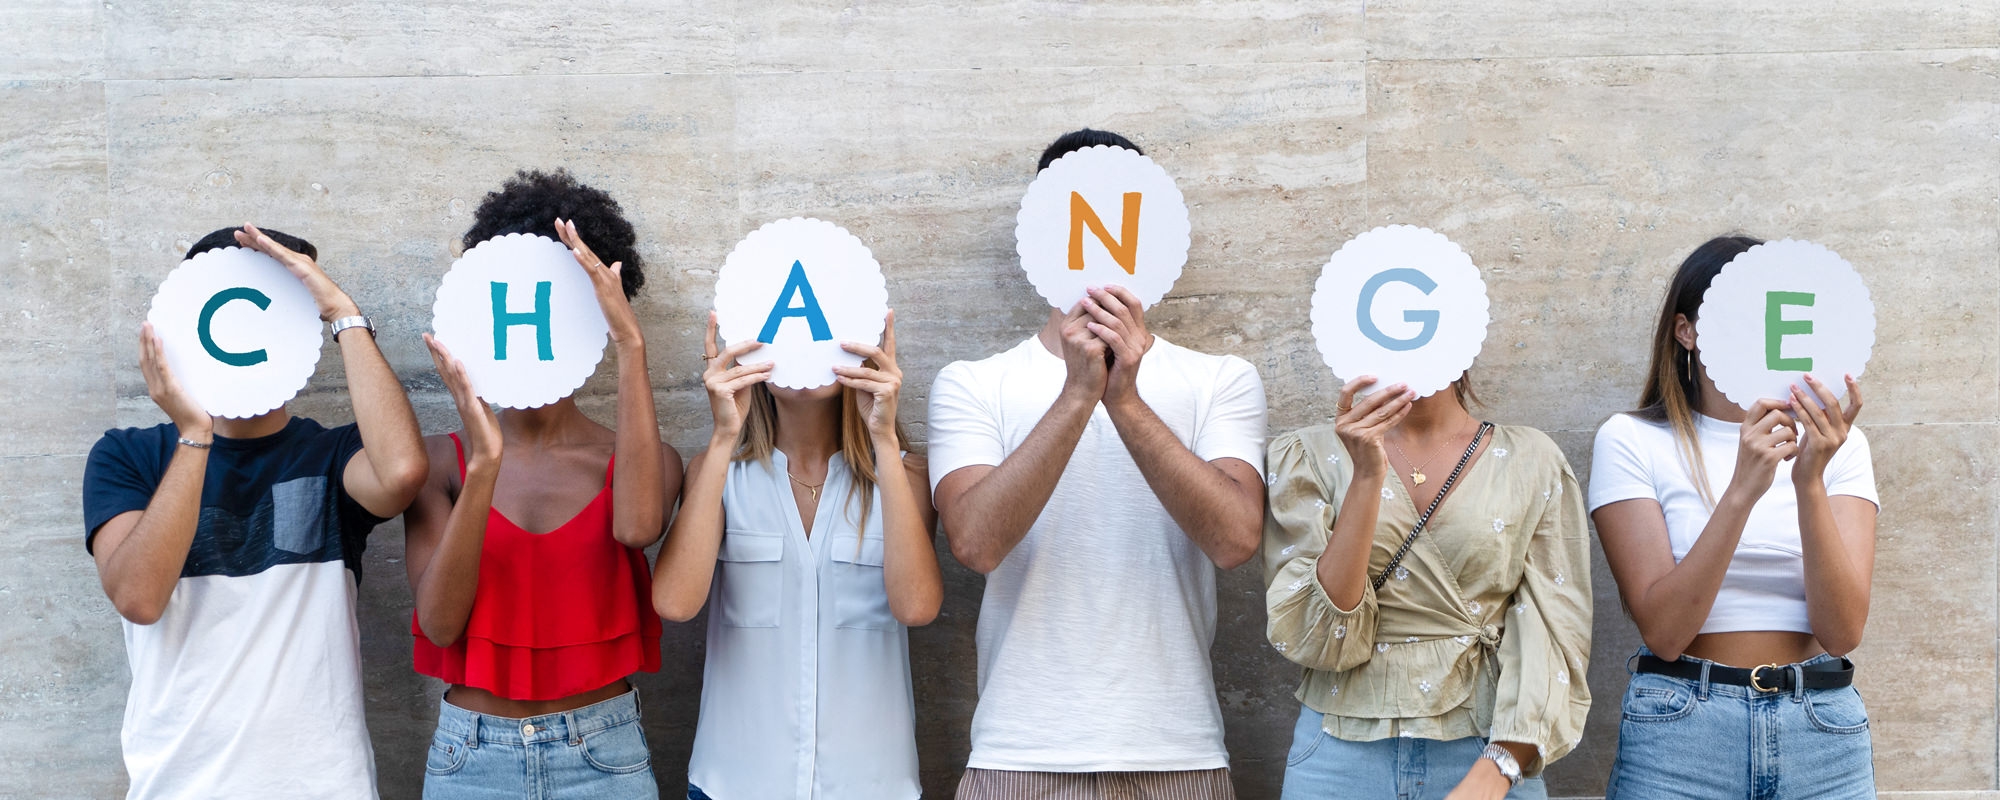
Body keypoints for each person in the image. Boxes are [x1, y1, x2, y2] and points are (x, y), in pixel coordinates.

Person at [928, 129, 1269, 799]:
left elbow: (1235, 539)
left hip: (1179, 756)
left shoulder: (1222, 379)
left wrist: (1127, 401)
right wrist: (1081, 392)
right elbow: (974, 542)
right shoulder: (972, 383)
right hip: (1018, 754)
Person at [82, 225, 429, 799]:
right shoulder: (129, 456)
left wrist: (342, 311)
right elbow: (139, 597)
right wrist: (196, 434)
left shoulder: (330, 455)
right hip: (179, 785)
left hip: (324, 785)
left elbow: (400, 474)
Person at [402, 169, 682, 799]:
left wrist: (631, 343)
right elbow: (440, 624)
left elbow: (637, 528)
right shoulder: (441, 465)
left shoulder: (644, 458)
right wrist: (484, 469)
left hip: (604, 752)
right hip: (471, 756)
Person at [1590, 236, 1877, 799]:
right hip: (1682, 732)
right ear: (1686, 331)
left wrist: (1810, 482)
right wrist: (1742, 490)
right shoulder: (1632, 440)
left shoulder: (1840, 445)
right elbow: (1665, 633)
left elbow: (1842, 631)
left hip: (1821, 729)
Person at [1262, 373, 1592, 800]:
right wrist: (1365, 477)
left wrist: (1495, 772)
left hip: (1487, 749)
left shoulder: (1531, 458)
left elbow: (1555, 628)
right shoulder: (1306, 454)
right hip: (1337, 753)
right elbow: (1321, 638)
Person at [654, 310, 940, 800]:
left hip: (872, 784)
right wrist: (723, 434)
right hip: (733, 783)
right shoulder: (717, 472)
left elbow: (916, 607)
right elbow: (675, 603)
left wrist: (885, 440)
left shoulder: (906, 475)